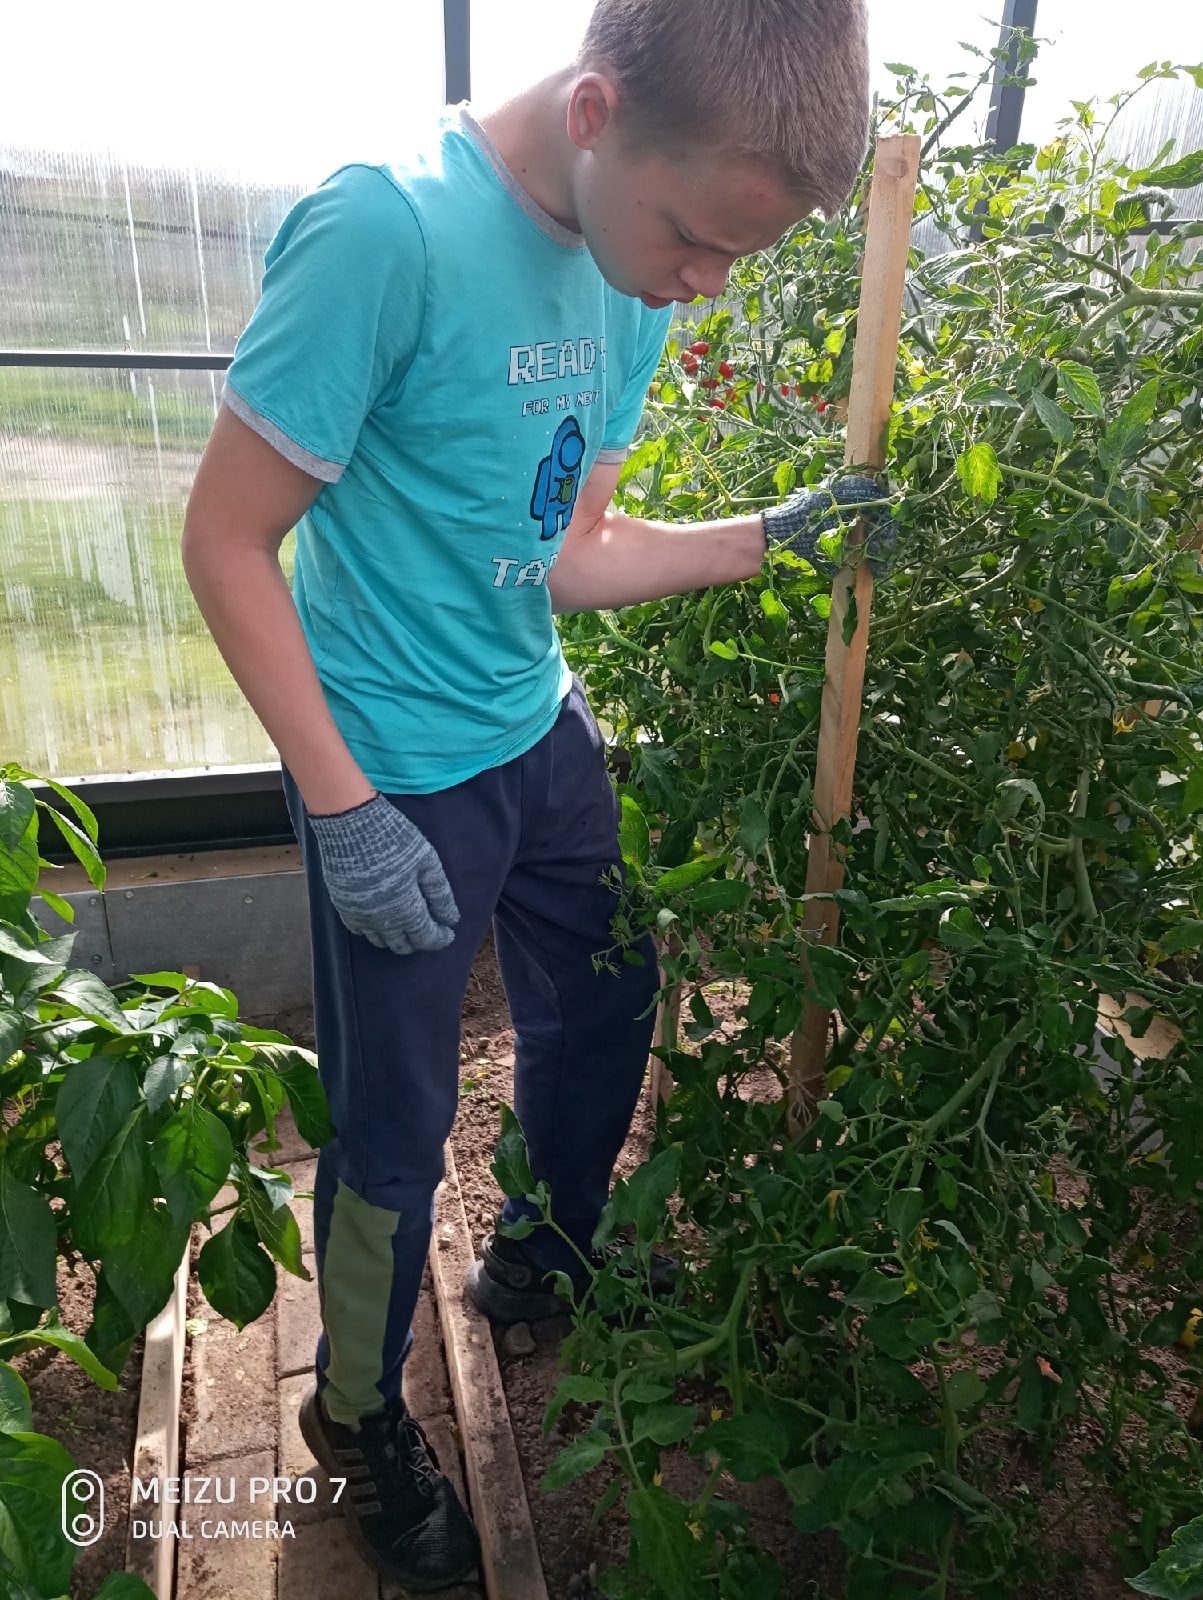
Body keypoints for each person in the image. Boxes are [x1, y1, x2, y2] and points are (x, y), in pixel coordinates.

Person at [182, 0, 878, 1587]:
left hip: (535, 726)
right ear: (594, 114)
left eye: (736, 258)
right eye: (697, 240)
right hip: (391, 768)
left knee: (608, 997)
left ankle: (545, 1254)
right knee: (395, 1125)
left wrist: (779, 532)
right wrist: (343, 808)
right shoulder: (386, 236)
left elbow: (571, 555)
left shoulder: (632, 267)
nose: (705, 286)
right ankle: (357, 1417)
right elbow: (226, 540)